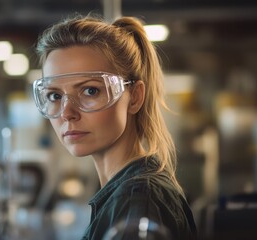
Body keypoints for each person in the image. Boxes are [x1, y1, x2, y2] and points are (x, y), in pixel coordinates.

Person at [32, 14, 197, 240]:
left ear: (135, 97)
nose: (68, 113)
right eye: (54, 95)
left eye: (90, 91)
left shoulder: (138, 199)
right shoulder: (123, 193)